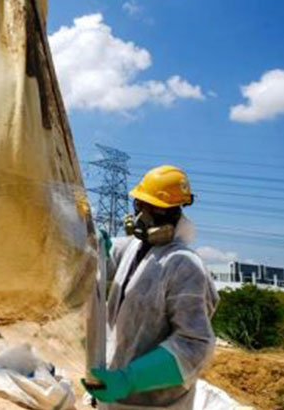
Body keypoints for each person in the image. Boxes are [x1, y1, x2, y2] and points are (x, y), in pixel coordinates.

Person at [84, 165, 219, 409]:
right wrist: (94, 244)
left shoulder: (185, 266)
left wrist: (129, 379)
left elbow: (194, 345)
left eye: (154, 208)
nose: (143, 216)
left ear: (175, 212)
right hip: (115, 398)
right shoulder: (134, 248)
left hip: (154, 403)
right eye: (140, 205)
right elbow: (104, 258)